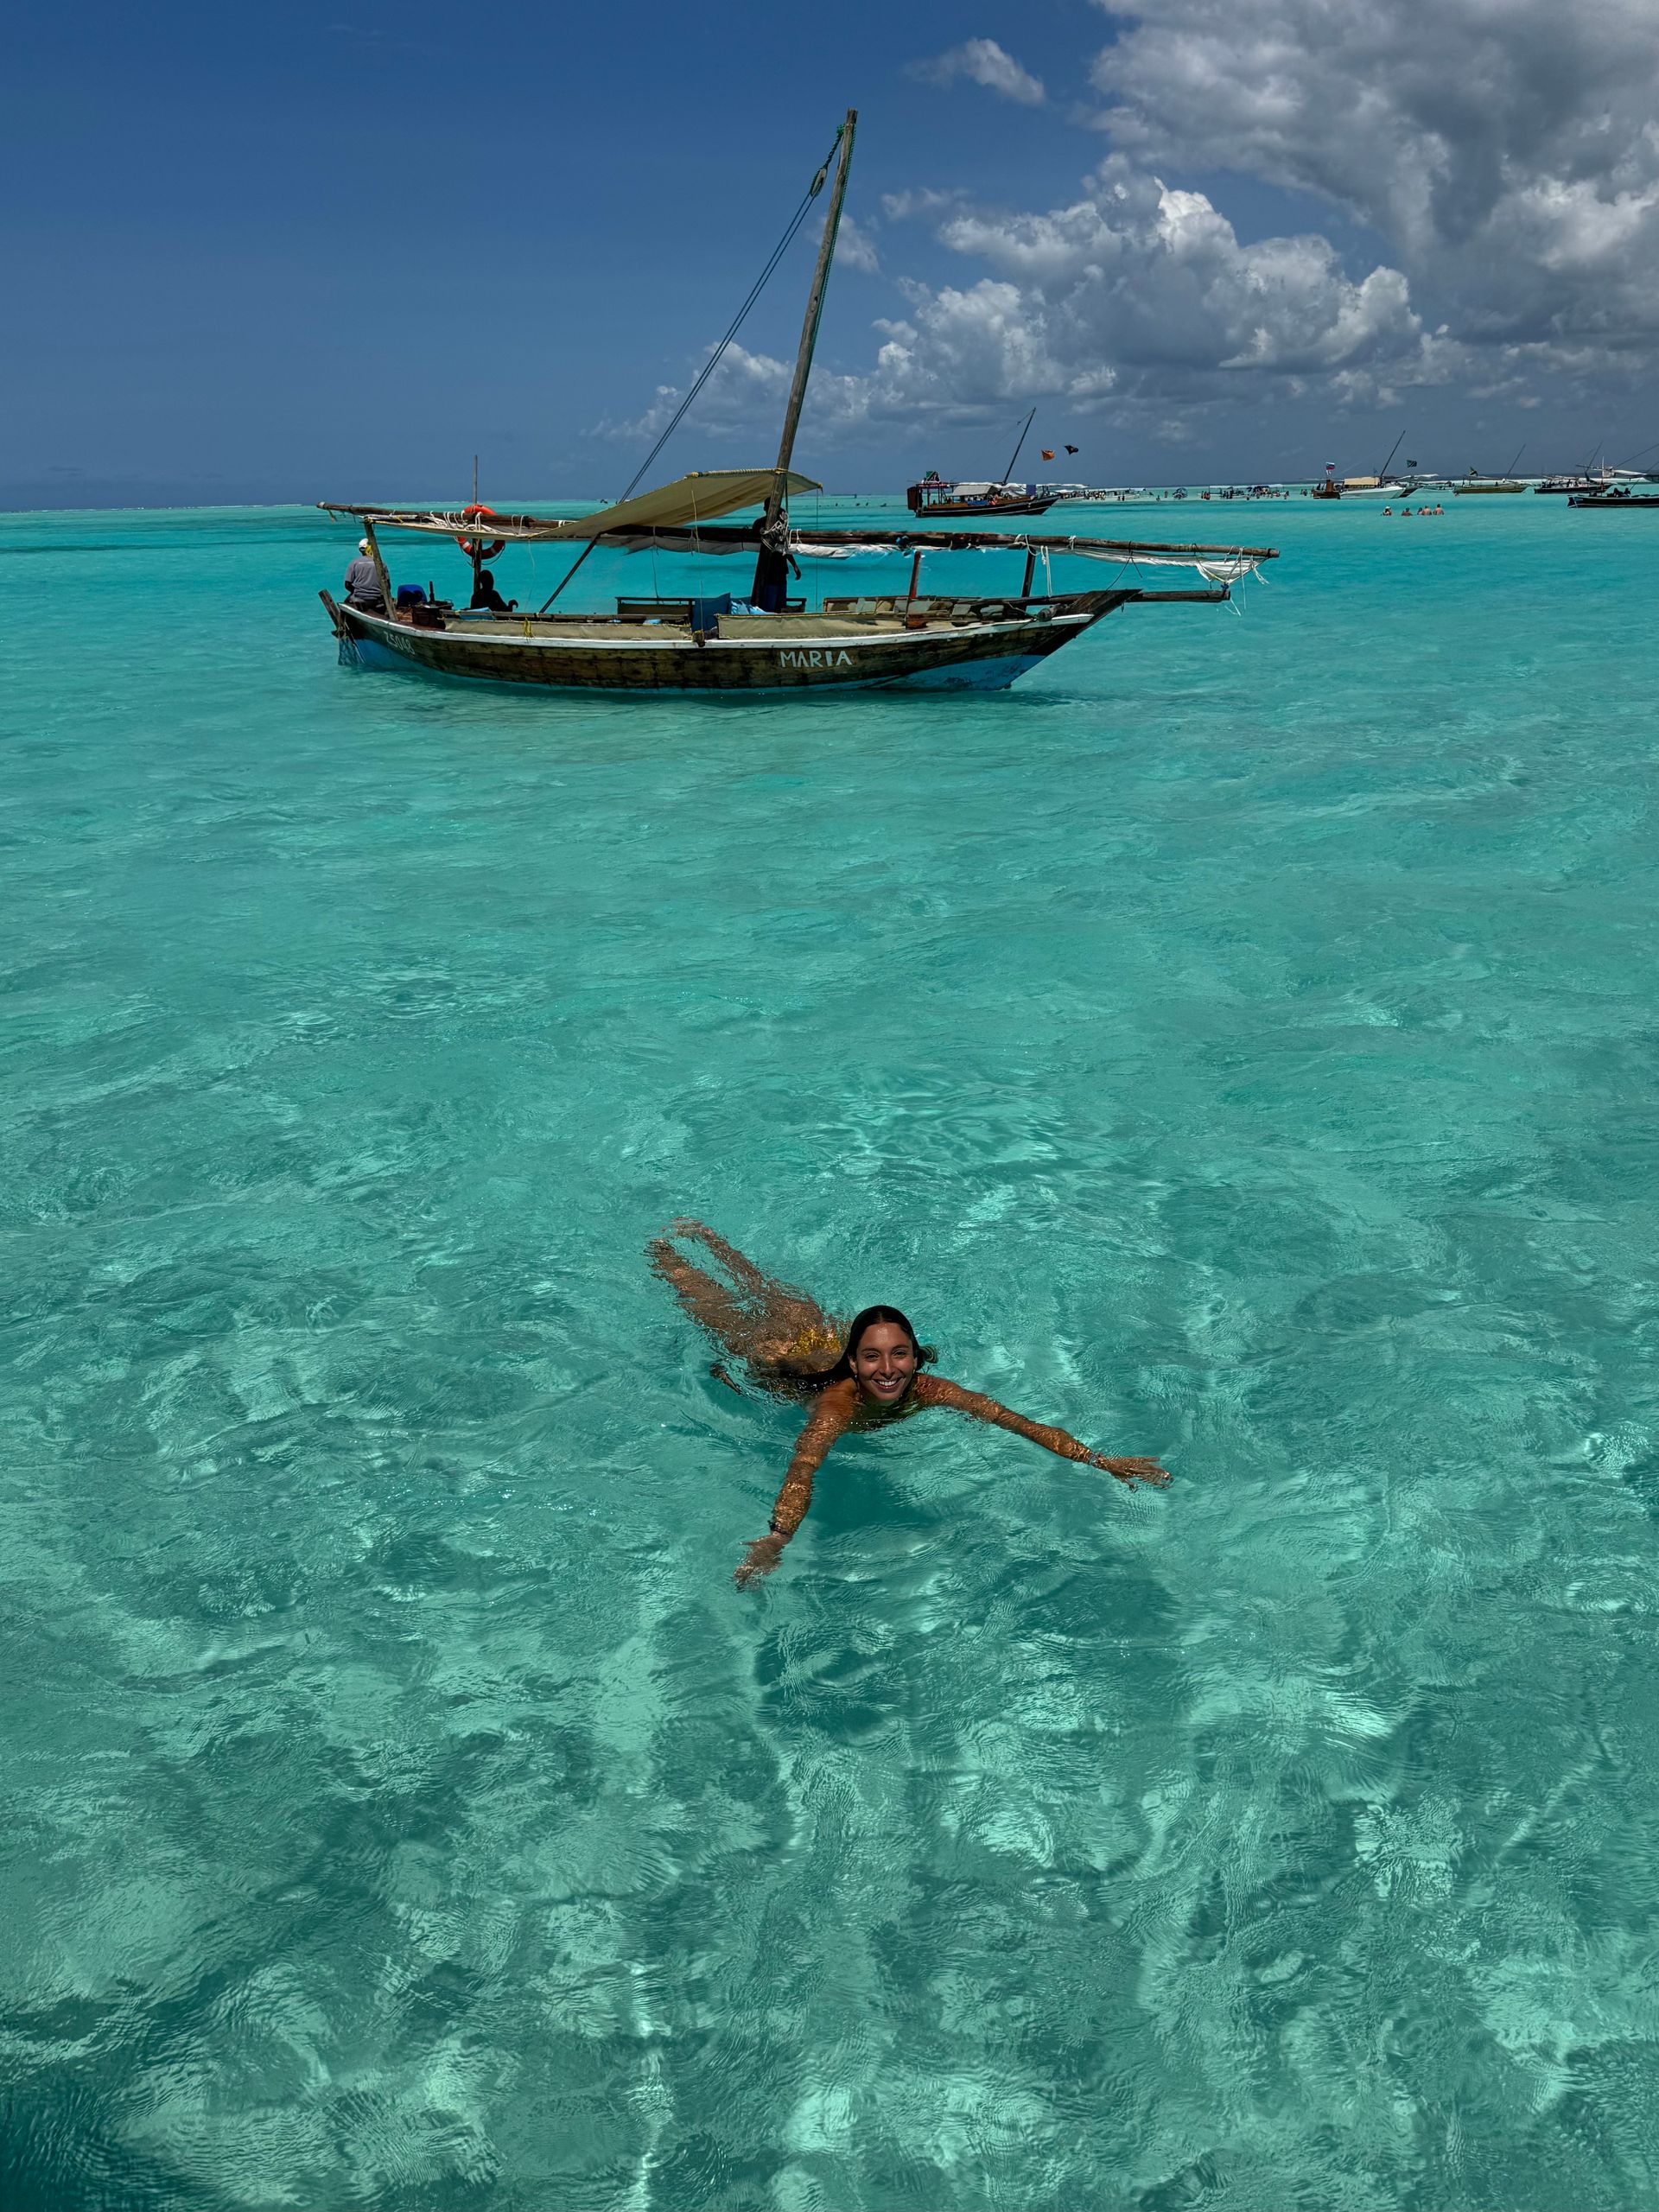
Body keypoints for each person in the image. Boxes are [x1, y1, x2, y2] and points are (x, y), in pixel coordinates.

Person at [648, 1220, 1170, 1586]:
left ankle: (711, 1239)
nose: (888, 1369)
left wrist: (1100, 1462)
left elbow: (1016, 1422)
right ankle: (663, 1250)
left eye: (900, 1354)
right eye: (873, 1357)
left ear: (916, 1359)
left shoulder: (932, 1390)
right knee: (717, 1308)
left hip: (818, 1339)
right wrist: (778, 1538)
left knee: (767, 1290)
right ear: (854, 1364)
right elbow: (802, 1468)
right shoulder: (837, 1406)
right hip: (775, 1362)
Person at [342, 538, 386, 613]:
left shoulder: (354, 563)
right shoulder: (381, 563)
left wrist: (358, 591)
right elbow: (387, 585)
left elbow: (347, 585)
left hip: (360, 597)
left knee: (345, 605)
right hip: (377, 598)